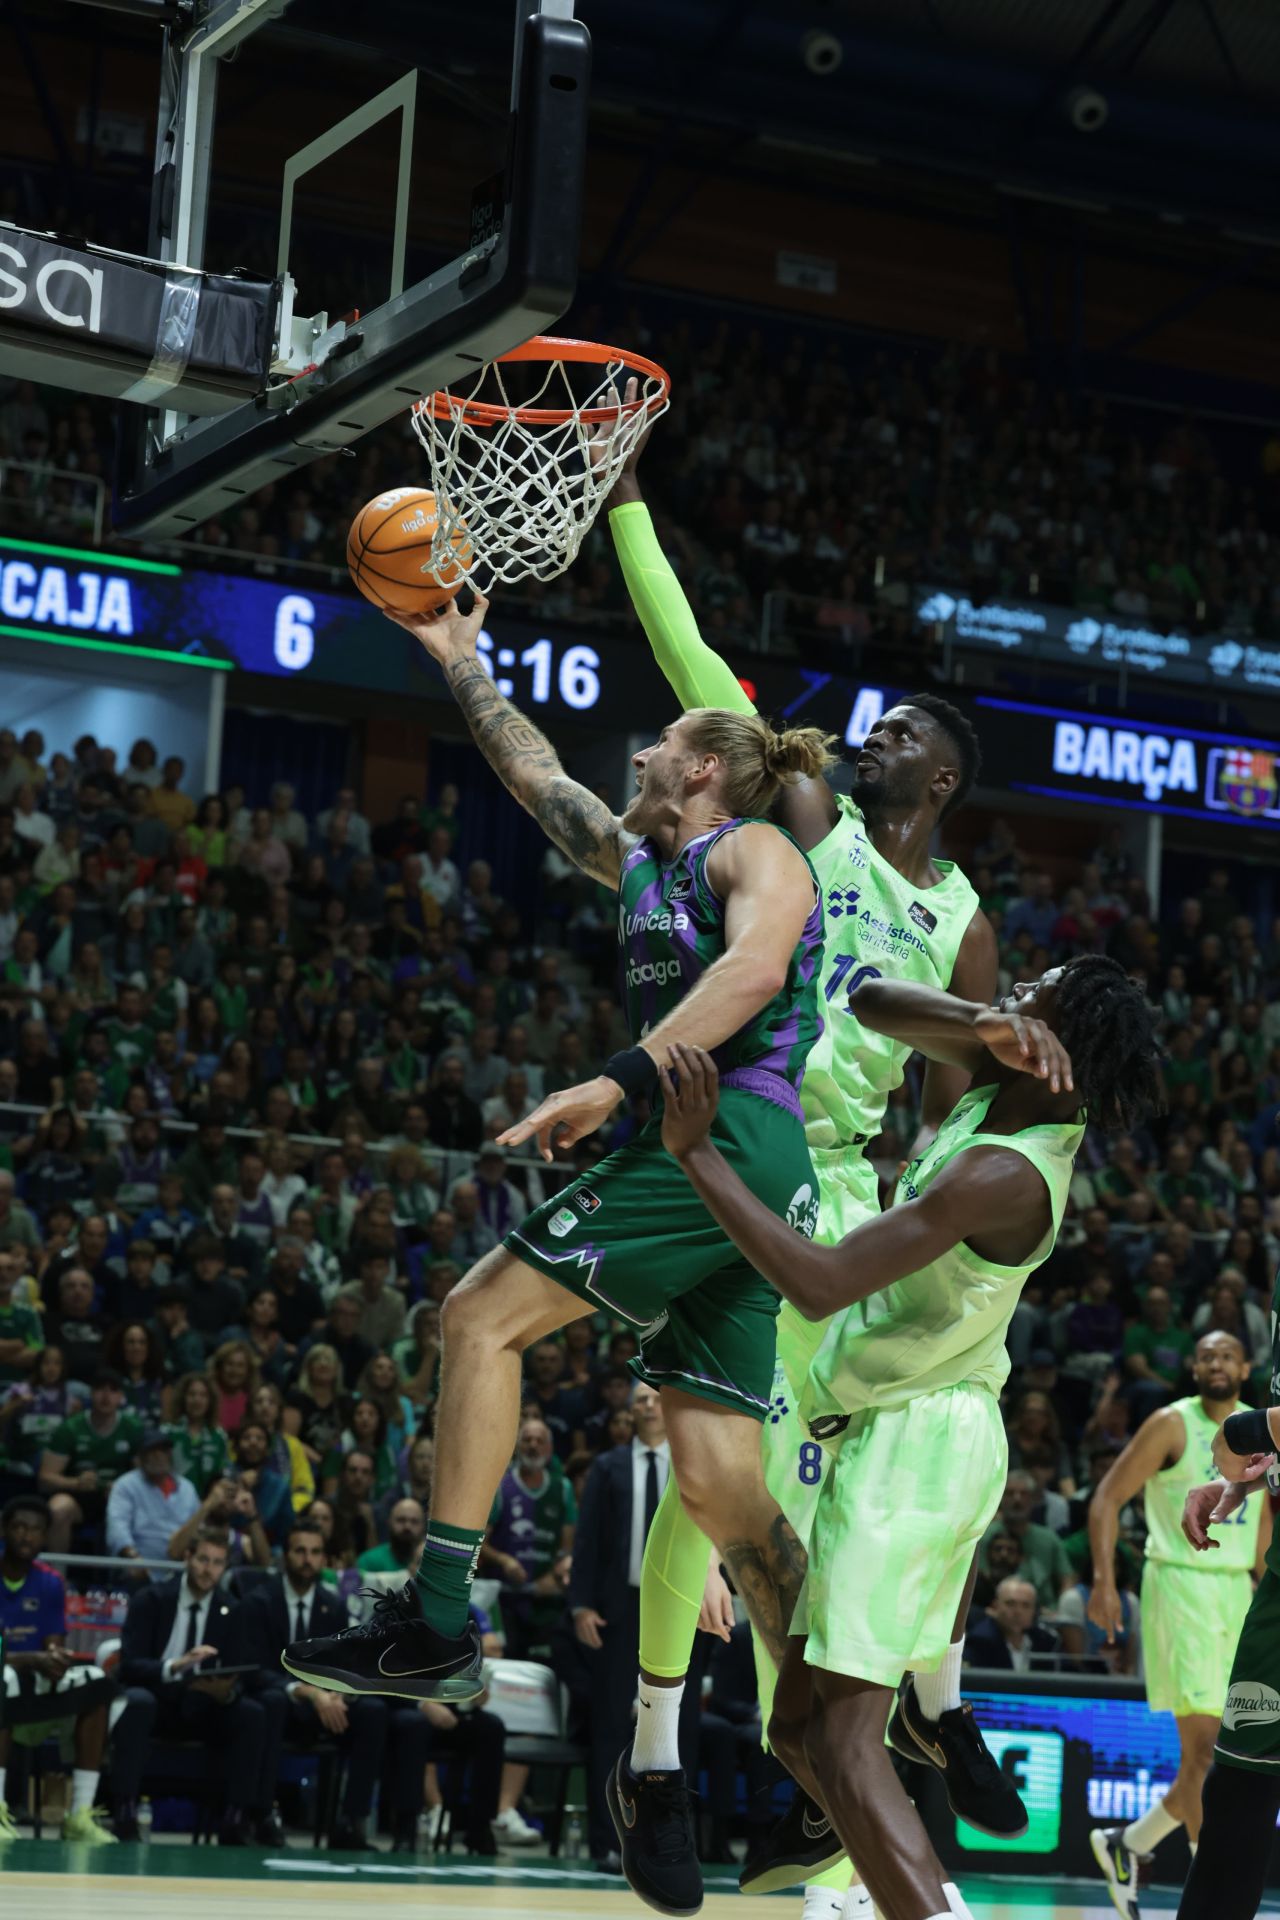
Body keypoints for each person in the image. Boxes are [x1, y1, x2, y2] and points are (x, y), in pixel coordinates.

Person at [284, 582, 835, 1865]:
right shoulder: (642, 860)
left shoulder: (754, 852)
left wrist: (614, 1080)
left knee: (477, 1315)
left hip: (721, 1132)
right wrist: (460, 664)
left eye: (652, 747)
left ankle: (431, 1620)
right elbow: (536, 777)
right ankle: (827, 1740)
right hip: (719, 1162)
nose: (630, 756)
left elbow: (752, 971)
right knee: (721, 1488)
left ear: (700, 768)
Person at [606, 419, 1010, 1917]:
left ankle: (896, 1735)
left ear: (945, 776)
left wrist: (954, 1238)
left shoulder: (965, 920)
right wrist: (633, 505)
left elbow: (975, 1101)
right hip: (745, 1138)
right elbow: (695, 663)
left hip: (851, 1200)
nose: (871, 735)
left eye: (901, 729)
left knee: (930, 1454)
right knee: (720, 1462)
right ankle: (655, 1752)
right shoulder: (804, 819)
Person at [654, 953, 1161, 1920]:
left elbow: (816, 1279)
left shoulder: (1001, 1173)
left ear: (1062, 1049)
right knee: (799, 1732)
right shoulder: (998, 1084)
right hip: (897, 1436)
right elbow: (869, 999)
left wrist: (697, 1153)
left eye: (1032, 996)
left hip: (921, 1452)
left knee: (843, 1746)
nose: (1011, 998)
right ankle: (930, 1897)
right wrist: (988, 1021)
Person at [1086, 1330, 1269, 1919]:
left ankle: (1127, 1844)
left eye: (1227, 1355)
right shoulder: (1170, 1423)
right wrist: (1104, 1581)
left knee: (1221, 1756)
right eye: (1206, 1355)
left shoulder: (1263, 1425)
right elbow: (1108, 1497)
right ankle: (1207, 1892)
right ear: (1194, 1368)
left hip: (1237, 1590)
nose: (1216, 1363)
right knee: (1206, 1755)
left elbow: (1264, 1526)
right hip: (1178, 1583)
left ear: (1245, 1367)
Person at [569, 1382, 699, 1870]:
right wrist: (580, 1603)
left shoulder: (691, 1462)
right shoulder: (607, 1467)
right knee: (607, 1722)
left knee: (677, 1725)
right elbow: (587, 1541)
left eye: (653, 1397)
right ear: (628, 1413)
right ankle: (608, 1841)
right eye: (638, 1400)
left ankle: (676, 1842)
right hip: (618, 1610)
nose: (646, 1406)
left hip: (679, 1608)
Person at [243, 1519, 430, 1850]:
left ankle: (351, 1823)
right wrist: (306, 1691)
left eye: (315, 1552)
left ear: (325, 1560)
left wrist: (337, 1692)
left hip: (323, 1707)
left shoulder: (333, 1604)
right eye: (300, 1551)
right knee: (269, 1702)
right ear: (285, 1556)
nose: (307, 1559)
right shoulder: (259, 1601)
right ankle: (260, 1816)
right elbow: (254, 1669)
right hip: (281, 1700)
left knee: (372, 1710)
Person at [113, 1524, 285, 1844]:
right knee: (137, 1703)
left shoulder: (232, 1609)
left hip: (205, 1702)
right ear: (187, 1557)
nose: (209, 1570)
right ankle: (124, 1812)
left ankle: (235, 1818)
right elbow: (129, 1665)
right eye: (203, 1560)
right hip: (158, 1696)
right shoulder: (151, 1598)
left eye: (218, 1563)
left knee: (251, 1713)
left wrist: (227, 1692)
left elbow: (241, 1669)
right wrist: (174, 1666)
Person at [0, 1493, 122, 1842]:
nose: (26, 1536)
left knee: (96, 1681)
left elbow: (53, 1641)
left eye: (35, 1530)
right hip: (7, 1680)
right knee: (3, 1676)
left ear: (45, 1537)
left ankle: (79, 1814)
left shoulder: (51, 1582)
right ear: (4, 1530)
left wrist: (54, 1658)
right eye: (19, 1527)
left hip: (31, 1684)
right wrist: (30, 1660)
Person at [481, 1414, 577, 1658]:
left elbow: (568, 1547)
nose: (533, 1445)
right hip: (504, 1602)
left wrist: (557, 1574)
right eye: (527, 1440)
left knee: (545, 1674)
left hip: (546, 1604)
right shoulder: (499, 1486)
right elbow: (478, 1542)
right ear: (516, 1446)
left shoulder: (562, 1488)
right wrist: (504, 1560)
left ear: (550, 1448)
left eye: (540, 1440)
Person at [38, 1367, 142, 1554]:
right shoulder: (70, 1428)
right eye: (100, 1389)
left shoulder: (133, 1428)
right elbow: (45, 1478)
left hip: (119, 1498)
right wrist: (75, 1483)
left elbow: (145, 1475)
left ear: (121, 1397)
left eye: (113, 1390)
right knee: (58, 1509)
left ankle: (131, 1576)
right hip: (80, 1497)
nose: (106, 1396)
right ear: (91, 1394)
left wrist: (123, 1488)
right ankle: (56, 1576)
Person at [106, 1427, 202, 1565]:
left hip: (180, 1565)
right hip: (136, 1563)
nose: (158, 1456)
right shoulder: (125, 1485)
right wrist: (134, 1558)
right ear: (140, 1458)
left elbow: (198, 1529)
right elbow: (117, 1528)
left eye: (163, 1450)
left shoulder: (187, 1488)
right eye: (152, 1451)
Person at [963, 1577, 1061, 1672]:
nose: (1018, 1612)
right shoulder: (980, 1641)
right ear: (995, 1607)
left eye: (1026, 1605)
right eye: (1010, 1604)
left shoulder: (1045, 1641)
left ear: (1034, 1611)